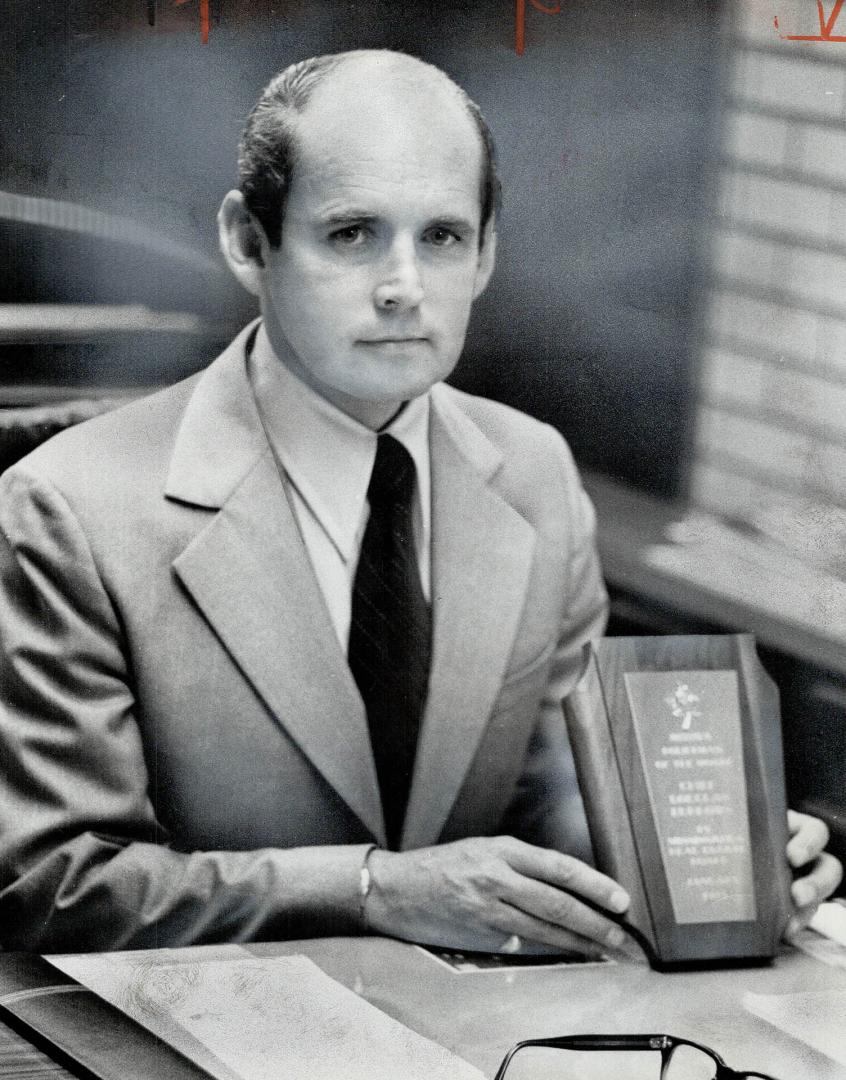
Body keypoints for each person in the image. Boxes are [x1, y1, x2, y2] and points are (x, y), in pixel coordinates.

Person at [0, 50, 838, 954]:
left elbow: (553, 800)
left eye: (441, 237)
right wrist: (372, 889)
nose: (403, 286)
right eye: (353, 233)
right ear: (249, 241)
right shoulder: (69, 508)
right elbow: (54, 883)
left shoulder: (533, 471)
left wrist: (709, 855)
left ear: (484, 255)